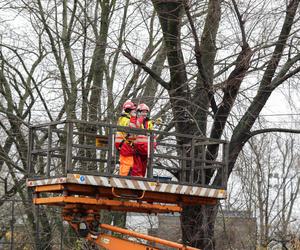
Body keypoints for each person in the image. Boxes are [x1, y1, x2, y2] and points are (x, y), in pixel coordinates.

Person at [131, 103, 156, 177]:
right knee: (137, 167)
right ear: (139, 112)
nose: (145, 113)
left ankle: (141, 179)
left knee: (143, 167)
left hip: (146, 148)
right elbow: (135, 127)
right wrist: (140, 118)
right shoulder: (136, 120)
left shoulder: (149, 123)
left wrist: (153, 147)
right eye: (143, 112)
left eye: (146, 112)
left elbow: (153, 136)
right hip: (137, 147)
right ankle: (136, 181)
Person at [115, 100, 137, 176]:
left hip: (125, 144)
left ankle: (124, 177)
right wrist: (134, 118)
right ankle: (123, 178)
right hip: (125, 144)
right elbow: (132, 127)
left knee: (127, 163)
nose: (135, 112)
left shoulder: (125, 118)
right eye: (133, 110)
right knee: (127, 163)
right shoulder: (125, 119)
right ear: (129, 110)